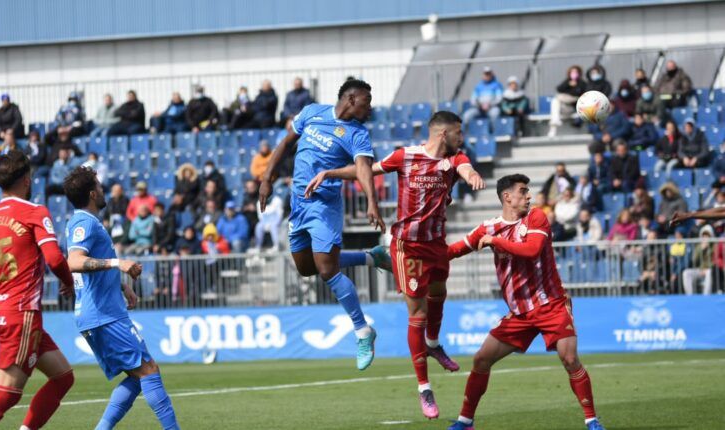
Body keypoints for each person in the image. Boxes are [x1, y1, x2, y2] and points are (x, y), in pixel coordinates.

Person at [305, 111, 485, 418]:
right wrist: (330, 173)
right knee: (417, 313)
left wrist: (471, 176)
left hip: (436, 244)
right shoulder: (406, 156)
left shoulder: (455, 159)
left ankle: (433, 342)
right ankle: (424, 388)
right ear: (443, 134)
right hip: (408, 247)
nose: (462, 139)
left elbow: (465, 168)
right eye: (458, 133)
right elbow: (367, 170)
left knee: (439, 293)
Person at [446, 174, 605, 430]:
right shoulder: (487, 228)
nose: (529, 196)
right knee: (481, 359)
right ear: (507, 196)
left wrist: (495, 241)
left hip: (551, 305)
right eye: (523, 191)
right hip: (519, 313)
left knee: (569, 358)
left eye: (528, 191)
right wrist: (423, 258)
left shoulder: (536, 217)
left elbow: (531, 251)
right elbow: (453, 251)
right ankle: (465, 421)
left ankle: (592, 420)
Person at [258, 79, 394, 371]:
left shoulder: (358, 133)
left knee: (327, 269)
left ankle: (362, 330)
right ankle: (372, 257)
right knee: (307, 268)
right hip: (298, 204)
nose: (370, 107)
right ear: (352, 98)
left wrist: (372, 201)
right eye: (367, 101)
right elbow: (284, 143)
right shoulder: (311, 112)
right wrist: (267, 178)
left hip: (324, 206)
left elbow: (363, 169)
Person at [62, 166, 180, 429]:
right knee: (149, 371)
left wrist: (120, 286)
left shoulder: (85, 222)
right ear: (93, 193)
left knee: (140, 376)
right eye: (100, 187)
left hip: (101, 312)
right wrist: (118, 263)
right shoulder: (84, 222)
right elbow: (75, 261)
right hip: (103, 315)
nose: (104, 190)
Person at [0, 150, 75, 429]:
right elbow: (54, 259)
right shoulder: (34, 212)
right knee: (6, 394)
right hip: (22, 314)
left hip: (7, 312)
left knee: (63, 377)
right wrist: (69, 282)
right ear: (28, 180)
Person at [548, 65, 587, 137]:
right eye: (572, 72)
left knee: (558, 98)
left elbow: (579, 95)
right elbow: (559, 88)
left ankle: (553, 126)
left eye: (575, 72)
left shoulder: (582, 83)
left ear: (579, 73)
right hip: (564, 108)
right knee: (555, 101)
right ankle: (554, 123)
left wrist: (575, 87)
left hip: (573, 108)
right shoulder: (567, 81)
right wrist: (568, 84)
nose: (574, 73)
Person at [681, 224, 715, 295]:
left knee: (709, 272)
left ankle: (706, 296)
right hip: (700, 270)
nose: (705, 238)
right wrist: (701, 249)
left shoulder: (714, 246)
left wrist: (707, 268)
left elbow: (715, 261)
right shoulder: (699, 246)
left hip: (710, 270)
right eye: (704, 236)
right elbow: (694, 260)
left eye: (707, 236)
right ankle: (690, 296)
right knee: (686, 273)